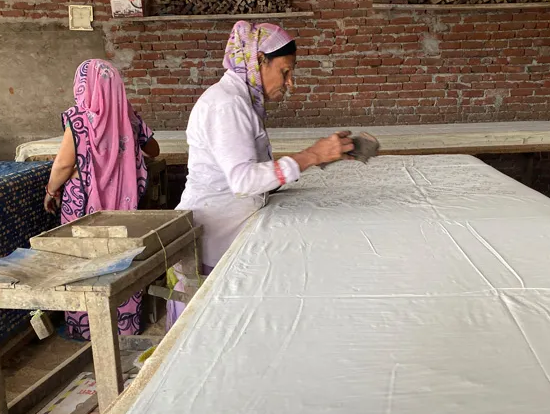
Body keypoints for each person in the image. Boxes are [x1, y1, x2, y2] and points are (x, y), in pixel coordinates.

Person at [165, 21, 354, 329]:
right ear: (259, 60)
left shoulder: (239, 101)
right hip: (214, 238)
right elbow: (244, 181)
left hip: (227, 229)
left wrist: (312, 159)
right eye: (285, 71)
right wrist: (312, 155)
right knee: (208, 334)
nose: (290, 83)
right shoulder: (226, 105)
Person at [44, 59, 160, 340]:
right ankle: (124, 324)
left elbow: (62, 165)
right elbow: (153, 150)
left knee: (81, 259)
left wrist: (50, 191)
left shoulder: (79, 119)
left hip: (82, 204)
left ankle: (87, 326)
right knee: (120, 259)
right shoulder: (130, 118)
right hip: (123, 203)